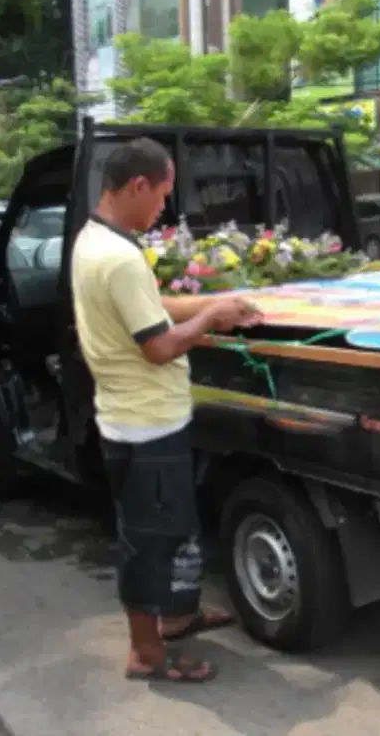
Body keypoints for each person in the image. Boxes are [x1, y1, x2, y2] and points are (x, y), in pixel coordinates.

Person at [71, 137, 262, 683]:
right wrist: (209, 321)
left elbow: (150, 312)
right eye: (161, 195)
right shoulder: (118, 257)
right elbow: (158, 346)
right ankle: (146, 653)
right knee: (149, 541)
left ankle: (179, 617)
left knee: (173, 527)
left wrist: (215, 303)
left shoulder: (96, 240)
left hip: (139, 417)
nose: (164, 209)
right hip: (144, 426)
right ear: (137, 186)